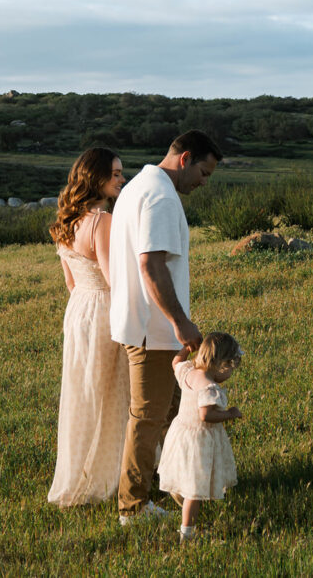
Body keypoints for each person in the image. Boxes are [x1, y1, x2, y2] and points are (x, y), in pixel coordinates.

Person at [108, 130, 223, 524]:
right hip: (153, 328)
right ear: (185, 158)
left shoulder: (139, 185)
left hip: (140, 322)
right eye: (204, 173)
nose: (203, 183)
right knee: (148, 417)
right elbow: (151, 264)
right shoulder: (159, 195)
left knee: (169, 413)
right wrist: (181, 321)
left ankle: (173, 484)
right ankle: (133, 507)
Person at [47, 147, 129, 507]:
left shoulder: (65, 222)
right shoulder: (101, 221)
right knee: (114, 393)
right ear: (95, 177)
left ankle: (82, 472)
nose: (121, 179)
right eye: (115, 174)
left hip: (78, 309)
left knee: (83, 393)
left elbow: (70, 282)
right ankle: (111, 475)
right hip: (104, 309)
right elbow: (114, 280)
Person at [158, 332, 243, 543]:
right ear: (222, 365)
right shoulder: (209, 387)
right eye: (231, 369)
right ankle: (187, 533)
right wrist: (229, 414)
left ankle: (186, 508)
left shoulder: (188, 371)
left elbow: (176, 361)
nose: (231, 374)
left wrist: (187, 349)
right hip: (199, 441)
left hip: (181, 434)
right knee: (194, 491)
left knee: (188, 479)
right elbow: (206, 415)